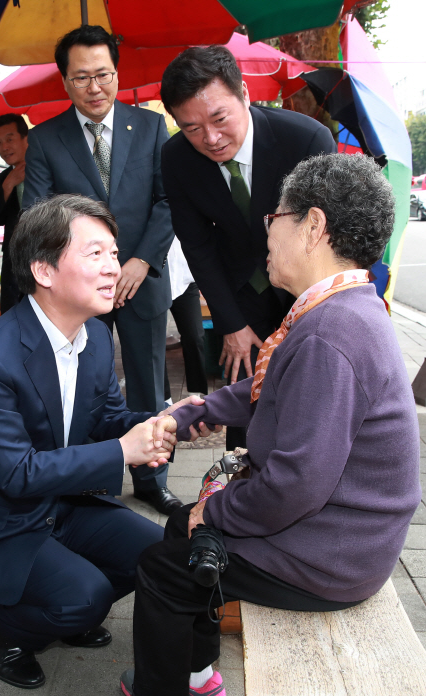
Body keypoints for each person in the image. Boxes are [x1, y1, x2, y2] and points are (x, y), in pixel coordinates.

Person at [120, 153, 422, 696]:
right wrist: (205, 410)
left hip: (335, 550)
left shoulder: (331, 334)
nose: (267, 231)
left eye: (274, 218)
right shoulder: (345, 305)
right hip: (348, 532)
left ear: (312, 226)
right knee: (181, 534)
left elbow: (294, 485)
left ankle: (162, 686)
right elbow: (280, 392)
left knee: (164, 565)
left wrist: (212, 508)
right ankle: (196, 673)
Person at [0, 194, 207, 689]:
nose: (113, 268)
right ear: (44, 270)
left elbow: (109, 419)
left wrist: (169, 420)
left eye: (114, 253)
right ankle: (1, 626)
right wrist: (124, 451)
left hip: (60, 501)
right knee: (85, 597)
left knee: (159, 554)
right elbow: (16, 474)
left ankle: (64, 612)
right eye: (94, 254)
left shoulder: (96, 336)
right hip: (0, 516)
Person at [22, 24, 180, 516]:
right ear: (65, 81)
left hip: (142, 282)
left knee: (148, 383)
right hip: (78, 290)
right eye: (82, 78)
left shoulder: (151, 127)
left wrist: (138, 260)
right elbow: (36, 214)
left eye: (104, 75)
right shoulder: (46, 140)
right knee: (82, 385)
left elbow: (168, 199)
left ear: (117, 72)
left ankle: (153, 479)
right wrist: (88, 266)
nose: (96, 88)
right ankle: (92, 477)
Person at [160, 45, 337, 450]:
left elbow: (330, 235)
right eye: (191, 128)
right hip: (240, 296)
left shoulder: (305, 139)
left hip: (307, 292)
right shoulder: (176, 158)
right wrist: (231, 324)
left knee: (312, 402)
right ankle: (240, 488)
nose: (211, 138)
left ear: (244, 93)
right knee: (244, 405)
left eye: (219, 118)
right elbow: (197, 244)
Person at [0, 114, 28, 313]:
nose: (4, 147)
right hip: (14, 264)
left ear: (25, 138)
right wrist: (9, 184)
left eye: (10, 139)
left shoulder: (46, 168)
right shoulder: (3, 177)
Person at [164, 237, 207, 401]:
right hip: (155, 280)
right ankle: (164, 399)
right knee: (155, 345)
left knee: (195, 336)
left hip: (186, 278)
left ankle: (197, 392)